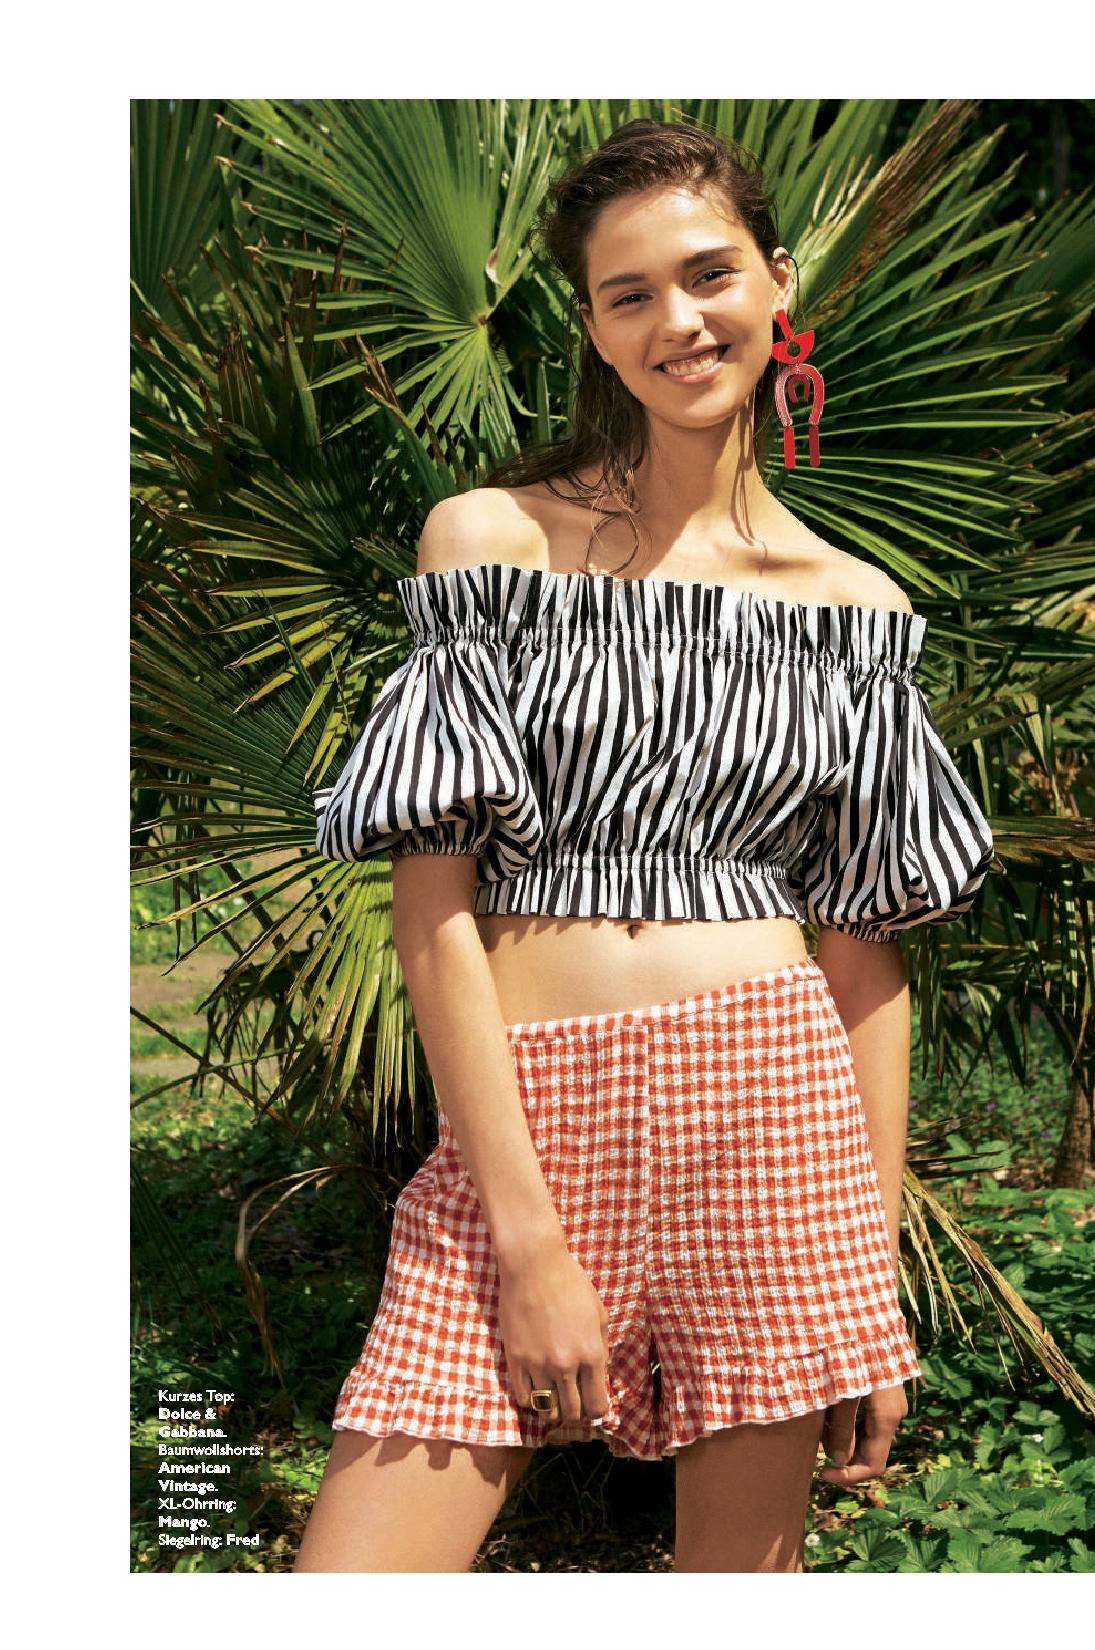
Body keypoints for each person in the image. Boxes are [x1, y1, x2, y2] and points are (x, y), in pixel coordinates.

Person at [294, 118, 995, 1574]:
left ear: (777, 281)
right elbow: (435, 908)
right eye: (631, 295)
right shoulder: (491, 542)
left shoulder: (854, 609)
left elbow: (866, 962)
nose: (679, 320)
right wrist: (527, 1235)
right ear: (595, 329)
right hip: (524, 1132)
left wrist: (867, 1282)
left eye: (709, 274)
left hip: (773, 1129)